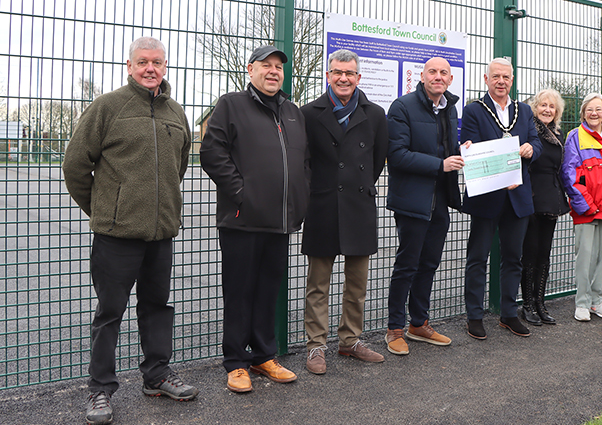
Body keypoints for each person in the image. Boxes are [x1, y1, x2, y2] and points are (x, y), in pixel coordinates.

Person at [63, 37, 198, 425]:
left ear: (165, 66)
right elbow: (75, 166)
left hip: (161, 236)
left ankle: (157, 376)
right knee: (110, 313)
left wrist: (159, 209)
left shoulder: (176, 113)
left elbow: (179, 167)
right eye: (142, 62)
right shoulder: (108, 107)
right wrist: (106, 211)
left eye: (156, 62)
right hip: (115, 236)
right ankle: (100, 390)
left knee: (157, 308)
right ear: (129, 65)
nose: (149, 68)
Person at [200, 45, 310, 393]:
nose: (274, 71)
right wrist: (241, 194)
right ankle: (235, 362)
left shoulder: (292, 112)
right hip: (242, 220)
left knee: (267, 292)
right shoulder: (231, 104)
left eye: (279, 66)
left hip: (280, 223)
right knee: (239, 292)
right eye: (266, 65)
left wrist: (300, 198)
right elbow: (212, 152)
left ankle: (264, 356)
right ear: (251, 70)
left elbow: (303, 162)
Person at [300, 49, 388, 374]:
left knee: (357, 284)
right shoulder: (309, 113)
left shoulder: (376, 114)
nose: (343, 78)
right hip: (322, 205)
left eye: (350, 73)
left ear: (358, 77)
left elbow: (377, 161)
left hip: (359, 205)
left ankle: (350, 341)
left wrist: (357, 184)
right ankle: (316, 346)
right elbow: (304, 161)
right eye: (337, 72)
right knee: (318, 284)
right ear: (328, 75)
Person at [384, 57, 464, 355]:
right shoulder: (402, 106)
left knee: (429, 263)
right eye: (433, 72)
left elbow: (444, 149)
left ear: (450, 79)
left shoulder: (450, 107)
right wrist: (440, 164)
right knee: (407, 265)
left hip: (441, 198)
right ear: (422, 75)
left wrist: (461, 152)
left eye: (444, 73)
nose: (438, 77)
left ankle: (419, 323)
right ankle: (394, 329)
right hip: (413, 199)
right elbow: (398, 155)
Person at [462, 58, 542, 340]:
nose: (501, 81)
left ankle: (508, 314)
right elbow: (470, 145)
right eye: (495, 76)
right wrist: (470, 149)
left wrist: (532, 148)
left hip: (518, 197)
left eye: (506, 77)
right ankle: (474, 316)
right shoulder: (474, 110)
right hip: (488, 195)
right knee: (477, 257)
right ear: (486, 79)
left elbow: (537, 141)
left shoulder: (525, 110)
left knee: (513, 258)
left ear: (512, 79)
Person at [561, 93, 602, 322]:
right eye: (590, 109)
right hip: (588, 211)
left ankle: (597, 301)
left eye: (598, 109)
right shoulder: (575, 137)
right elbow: (569, 176)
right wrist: (586, 206)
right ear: (583, 112)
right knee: (586, 257)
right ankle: (581, 302)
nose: (594, 113)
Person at [519, 89, 570, 326]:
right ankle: (527, 304)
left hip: (551, 198)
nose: (547, 109)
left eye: (552, 106)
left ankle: (540, 302)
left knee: (544, 254)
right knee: (529, 253)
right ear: (535, 108)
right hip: (530, 196)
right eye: (543, 105)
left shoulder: (559, 133)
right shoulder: (529, 131)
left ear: (557, 111)